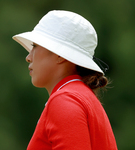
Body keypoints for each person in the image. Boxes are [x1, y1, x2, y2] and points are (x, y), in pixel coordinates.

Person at [13, 10, 118, 150]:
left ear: (60, 55)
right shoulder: (81, 97)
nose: (28, 57)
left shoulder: (65, 101)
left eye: (35, 46)